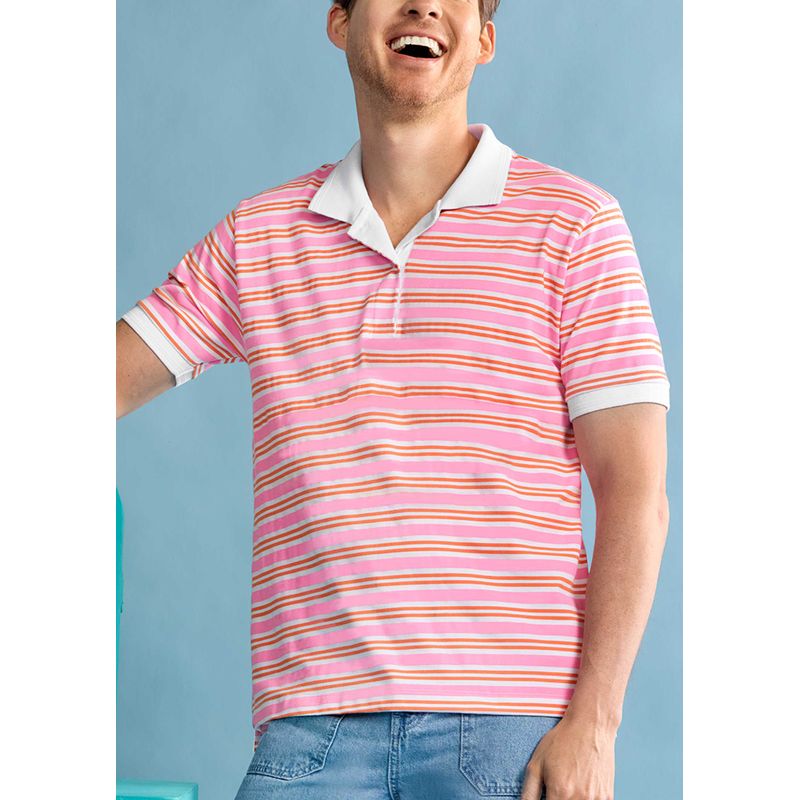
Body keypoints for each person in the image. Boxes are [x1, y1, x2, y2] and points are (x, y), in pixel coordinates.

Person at [117, 1, 671, 797]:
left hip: (511, 732)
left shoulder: (575, 226)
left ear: (484, 39)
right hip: (309, 731)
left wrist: (596, 723)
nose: (422, 3)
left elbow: (635, 495)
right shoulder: (258, 237)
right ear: (340, 22)